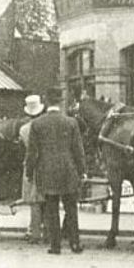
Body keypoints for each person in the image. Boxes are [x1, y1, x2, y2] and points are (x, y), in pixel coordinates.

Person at [26, 87, 86, 255]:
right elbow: (78, 150)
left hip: (47, 171)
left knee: (51, 210)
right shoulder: (71, 122)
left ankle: (55, 246)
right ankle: (75, 244)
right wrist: (82, 171)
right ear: (60, 101)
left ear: (45, 101)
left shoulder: (37, 124)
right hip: (68, 171)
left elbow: (32, 153)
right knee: (71, 209)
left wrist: (29, 173)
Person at [19, 94, 46, 244]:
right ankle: (48, 231)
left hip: (31, 166)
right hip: (46, 165)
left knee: (34, 201)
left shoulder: (23, 129)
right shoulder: (45, 125)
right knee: (48, 198)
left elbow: (27, 150)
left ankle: (35, 232)